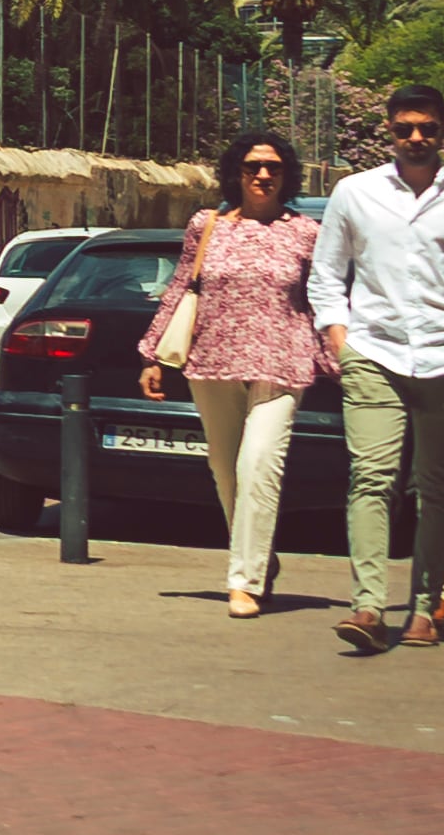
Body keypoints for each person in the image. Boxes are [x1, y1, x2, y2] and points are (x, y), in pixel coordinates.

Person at [308, 84, 444, 653]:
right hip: (374, 354)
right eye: (405, 128)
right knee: (371, 479)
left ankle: (426, 609)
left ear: (443, 129)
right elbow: (327, 273)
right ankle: (370, 606)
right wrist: (339, 337)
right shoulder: (355, 192)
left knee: (438, 487)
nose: (416, 138)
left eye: (427, 127)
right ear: (390, 130)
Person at [131, 133, 322, 618]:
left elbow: (326, 298)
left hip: (283, 361)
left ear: (287, 175)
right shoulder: (207, 225)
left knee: (259, 464)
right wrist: (153, 354)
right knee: (225, 468)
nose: (263, 175)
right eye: (253, 166)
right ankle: (261, 557)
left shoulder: (306, 232)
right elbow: (180, 285)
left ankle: (245, 581)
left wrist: (339, 357)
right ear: (235, 172)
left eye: (274, 168)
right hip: (213, 359)